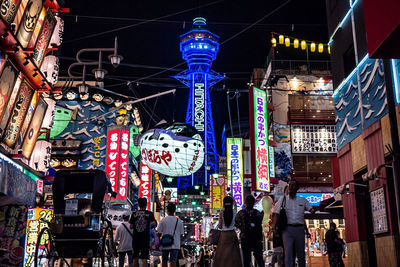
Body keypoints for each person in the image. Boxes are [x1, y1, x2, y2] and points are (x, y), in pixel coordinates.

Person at [271, 179, 315, 267]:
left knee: (301, 254)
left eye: (293, 185)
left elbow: (310, 210)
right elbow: (275, 213)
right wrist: (274, 227)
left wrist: (312, 210)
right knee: (288, 254)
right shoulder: (282, 200)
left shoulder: (303, 200)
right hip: (287, 230)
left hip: (300, 230)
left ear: (297, 188)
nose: (290, 187)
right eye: (289, 185)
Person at [235, 194, 264, 267]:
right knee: (259, 258)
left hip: (245, 238)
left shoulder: (241, 213)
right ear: (254, 203)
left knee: (246, 259)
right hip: (256, 238)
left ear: (245, 203)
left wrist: (242, 228)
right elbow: (261, 222)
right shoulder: (258, 213)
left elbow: (236, 224)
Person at [213, 196, 242, 267]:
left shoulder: (221, 213)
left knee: (223, 253)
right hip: (232, 234)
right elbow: (235, 205)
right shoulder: (234, 212)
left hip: (223, 236)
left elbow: (219, 226)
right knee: (233, 254)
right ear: (231, 203)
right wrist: (232, 197)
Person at [129, 197, 157, 267]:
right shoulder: (150, 213)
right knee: (144, 258)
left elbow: (131, 226)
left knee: (135, 257)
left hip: (136, 238)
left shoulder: (134, 214)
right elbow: (153, 224)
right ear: (146, 205)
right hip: (145, 238)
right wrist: (149, 227)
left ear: (138, 205)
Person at [158, 203, 184, 267]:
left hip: (165, 243)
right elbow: (181, 235)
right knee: (173, 260)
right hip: (175, 244)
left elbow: (159, 233)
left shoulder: (163, 220)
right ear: (174, 211)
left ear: (167, 210)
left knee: (164, 260)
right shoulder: (179, 221)